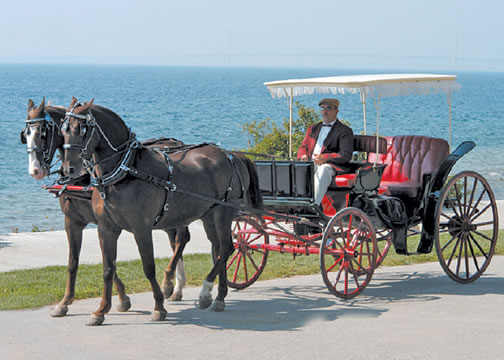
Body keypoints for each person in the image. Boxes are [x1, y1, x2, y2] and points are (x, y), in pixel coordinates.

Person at [297, 98, 354, 207]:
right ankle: (295, 204)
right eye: (322, 108)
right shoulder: (313, 128)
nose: (325, 111)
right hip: (311, 163)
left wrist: (326, 158)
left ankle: (313, 206)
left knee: (324, 169)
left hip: (332, 166)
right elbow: (303, 147)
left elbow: (346, 154)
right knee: (297, 168)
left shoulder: (344, 130)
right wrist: (303, 155)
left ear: (336, 110)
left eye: (328, 108)